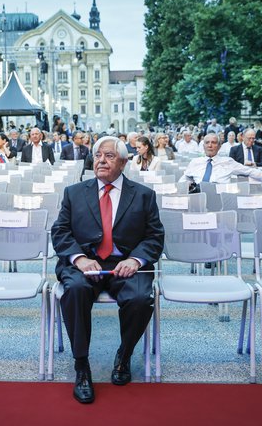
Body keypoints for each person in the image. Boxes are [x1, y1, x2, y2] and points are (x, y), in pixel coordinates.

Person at [50, 136, 164, 404]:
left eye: (109, 156)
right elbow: (61, 231)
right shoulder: (74, 193)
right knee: (75, 289)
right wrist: (78, 258)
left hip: (125, 264)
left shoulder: (144, 196)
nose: (101, 160)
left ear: (124, 162)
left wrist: (135, 260)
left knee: (140, 299)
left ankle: (124, 355)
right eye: (98, 155)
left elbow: (154, 237)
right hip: (85, 262)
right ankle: (82, 366)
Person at [180, 134, 262, 185]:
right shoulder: (195, 162)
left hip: (220, 196)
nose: (210, 145)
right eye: (207, 143)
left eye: (214, 143)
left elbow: (249, 171)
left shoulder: (227, 162)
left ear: (219, 146)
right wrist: (185, 185)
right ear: (203, 146)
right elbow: (185, 178)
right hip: (198, 195)